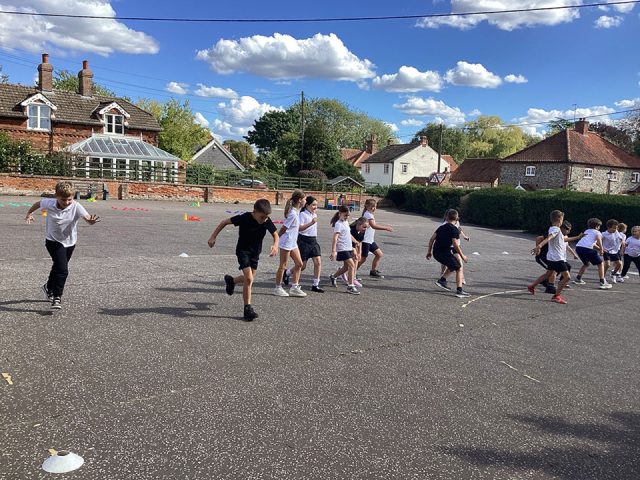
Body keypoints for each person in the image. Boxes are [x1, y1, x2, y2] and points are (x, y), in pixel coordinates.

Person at [24, 181, 100, 310]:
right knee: (63, 269)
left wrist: (90, 221)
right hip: (53, 241)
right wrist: (29, 213)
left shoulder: (76, 206)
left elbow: (87, 217)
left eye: (69, 199)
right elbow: (38, 204)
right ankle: (57, 296)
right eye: (63, 200)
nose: (66, 202)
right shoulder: (49, 203)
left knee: (58, 266)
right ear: (56, 197)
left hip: (70, 242)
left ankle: (48, 287)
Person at [208, 199, 278, 321]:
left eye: (266, 217)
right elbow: (224, 222)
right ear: (254, 211)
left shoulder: (266, 220)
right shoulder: (244, 218)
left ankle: (232, 281)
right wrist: (213, 237)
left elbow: (275, 234)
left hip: (255, 253)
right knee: (249, 278)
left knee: (249, 279)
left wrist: (275, 246)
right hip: (243, 251)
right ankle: (247, 309)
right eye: (262, 217)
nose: (264, 220)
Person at [528, 211, 582, 304]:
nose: (562, 221)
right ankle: (556, 296)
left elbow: (564, 239)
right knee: (567, 277)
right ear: (559, 219)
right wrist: (539, 246)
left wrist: (578, 237)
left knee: (548, 274)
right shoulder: (556, 229)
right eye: (562, 219)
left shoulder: (554, 229)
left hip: (552, 257)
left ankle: (532, 286)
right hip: (557, 258)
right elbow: (549, 238)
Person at [283, 196, 324, 293]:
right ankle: (287, 273)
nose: (315, 207)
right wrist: (311, 223)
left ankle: (315, 285)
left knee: (318, 262)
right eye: (313, 205)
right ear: (307, 205)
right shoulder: (302, 214)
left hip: (313, 240)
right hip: (303, 241)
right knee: (302, 266)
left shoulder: (314, 214)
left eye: (316, 205)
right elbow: (299, 228)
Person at [426, 209, 470, 298]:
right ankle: (459, 291)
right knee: (458, 267)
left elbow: (431, 239)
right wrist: (463, 256)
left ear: (446, 217)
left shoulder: (441, 227)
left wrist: (429, 252)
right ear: (457, 218)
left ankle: (442, 280)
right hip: (444, 253)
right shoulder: (454, 229)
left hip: (436, 253)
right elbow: (455, 245)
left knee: (453, 265)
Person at [274, 190, 306, 297]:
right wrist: (276, 242)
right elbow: (283, 229)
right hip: (287, 242)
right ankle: (278, 288)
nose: (305, 201)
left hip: (293, 242)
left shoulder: (297, 211)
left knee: (299, 264)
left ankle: (294, 288)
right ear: (300, 200)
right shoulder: (292, 214)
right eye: (304, 199)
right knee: (283, 266)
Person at [329, 205, 360, 295]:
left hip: (348, 247)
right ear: (340, 214)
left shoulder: (345, 222)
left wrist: (355, 241)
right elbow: (335, 238)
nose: (347, 217)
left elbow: (348, 234)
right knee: (352, 265)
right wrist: (333, 251)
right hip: (342, 248)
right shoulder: (338, 224)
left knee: (346, 267)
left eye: (348, 215)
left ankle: (333, 276)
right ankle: (350, 286)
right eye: (345, 215)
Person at [358, 198, 393, 279]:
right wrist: (386, 228)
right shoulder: (368, 215)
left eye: (375, 206)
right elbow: (374, 226)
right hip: (365, 240)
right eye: (372, 206)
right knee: (363, 259)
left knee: (379, 254)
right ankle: (351, 272)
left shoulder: (369, 214)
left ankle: (373, 271)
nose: (374, 208)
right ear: (367, 206)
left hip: (370, 240)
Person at [573, 218, 611, 289]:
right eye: (599, 226)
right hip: (587, 249)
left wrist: (601, 249)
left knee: (586, 264)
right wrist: (601, 250)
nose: (599, 228)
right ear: (597, 226)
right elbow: (599, 240)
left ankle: (578, 278)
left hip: (578, 248)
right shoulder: (597, 232)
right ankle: (602, 282)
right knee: (600, 264)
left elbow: (593, 244)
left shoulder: (587, 231)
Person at [440, 209, 470, 285]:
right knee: (446, 263)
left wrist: (464, 236)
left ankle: (462, 278)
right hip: (449, 247)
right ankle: (443, 274)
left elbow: (459, 228)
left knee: (459, 262)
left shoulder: (457, 222)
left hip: (456, 246)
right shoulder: (444, 225)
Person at [601, 219, 624, 284]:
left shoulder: (616, 232)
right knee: (607, 265)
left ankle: (613, 274)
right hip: (606, 251)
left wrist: (622, 242)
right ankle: (602, 277)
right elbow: (598, 242)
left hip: (614, 251)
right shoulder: (603, 234)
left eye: (616, 228)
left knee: (619, 264)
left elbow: (621, 238)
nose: (615, 229)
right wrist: (601, 249)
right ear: (608, 227)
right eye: (614, 228)